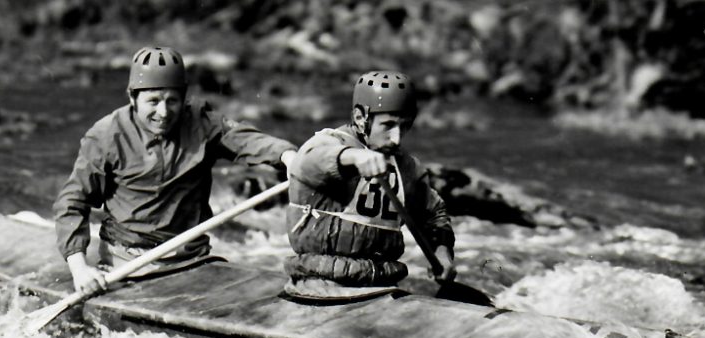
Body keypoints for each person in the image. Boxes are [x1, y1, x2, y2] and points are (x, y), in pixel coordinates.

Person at [54, 46, 297, 295]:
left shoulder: (201, 122)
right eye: (153, 101)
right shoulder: (105, 136)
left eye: (172, 101)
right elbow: (72, 202)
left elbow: (245, 140)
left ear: (183, 99)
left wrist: (287, 155)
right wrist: (80, 269)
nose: (163, 112)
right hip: (127, 265)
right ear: (132, 98)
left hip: (192, 260)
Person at [284, 70, 455, 296]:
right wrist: (353, 157)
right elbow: (307, 161)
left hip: (383, 287)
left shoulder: (406, 167)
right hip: (321, 284)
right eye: (388, 125)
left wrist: (442, 253)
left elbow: (433, 213)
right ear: (360, 118)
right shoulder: (326, 143)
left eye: (405, 126)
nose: (397, 138)